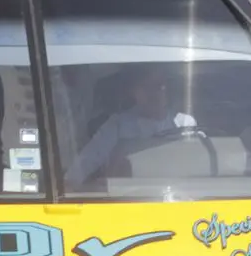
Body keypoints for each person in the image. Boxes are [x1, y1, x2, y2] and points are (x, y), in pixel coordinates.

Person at [64, 65, 197, 189]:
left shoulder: (185, 123)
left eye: (159, 86)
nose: (153, 93)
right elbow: (86, 161)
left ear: (168, 89)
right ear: (134, 91)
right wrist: (69, 186)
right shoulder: (118, 125)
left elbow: (195, 168)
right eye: (145, 87)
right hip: (127, 199)